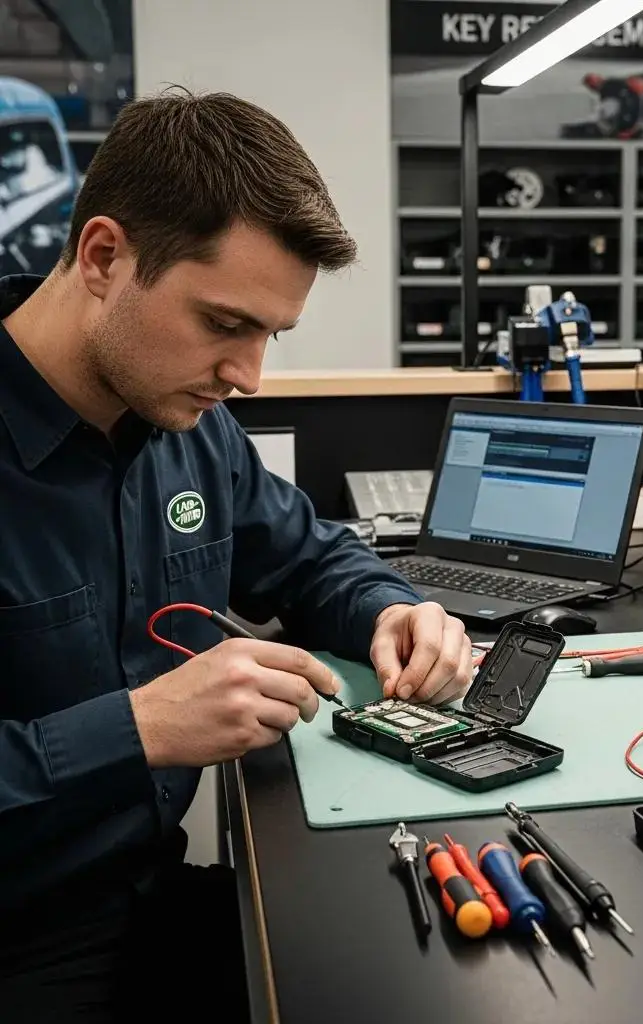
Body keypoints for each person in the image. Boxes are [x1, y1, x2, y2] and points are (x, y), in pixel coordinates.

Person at [0, 87, 474, 1023]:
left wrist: (393, 611)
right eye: (225, 324)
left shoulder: (187, 427)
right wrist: (134, 728)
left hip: (151, 903)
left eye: (270, 334)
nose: (249, 376)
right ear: (103, 257)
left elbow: (308, 557)